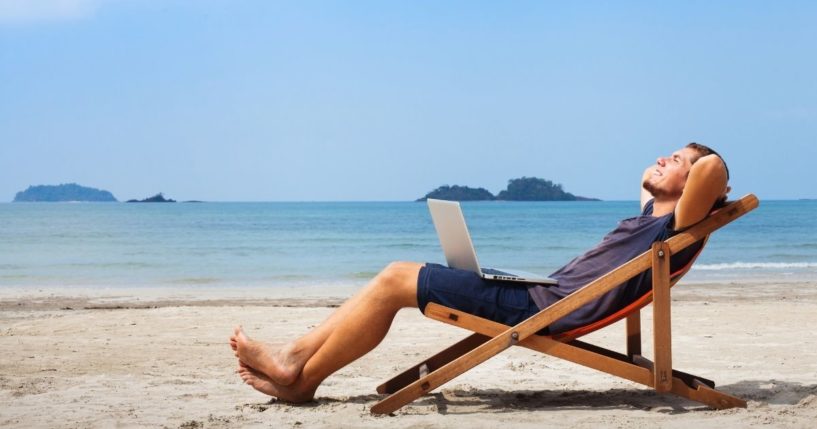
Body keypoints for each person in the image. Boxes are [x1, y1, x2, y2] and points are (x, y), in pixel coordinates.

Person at [229, 143, 731, 403]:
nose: (664, 160)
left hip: (541, 309)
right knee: (399, 274)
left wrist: (701, 164)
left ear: (698, 188)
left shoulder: (677, 223)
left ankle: (297, 368)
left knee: (395, 278)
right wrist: (672, 164)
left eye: (679, 160)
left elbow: (709, 172)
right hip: (540, 294)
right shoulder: (651, 214)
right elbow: (647, 178)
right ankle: (296, 367)